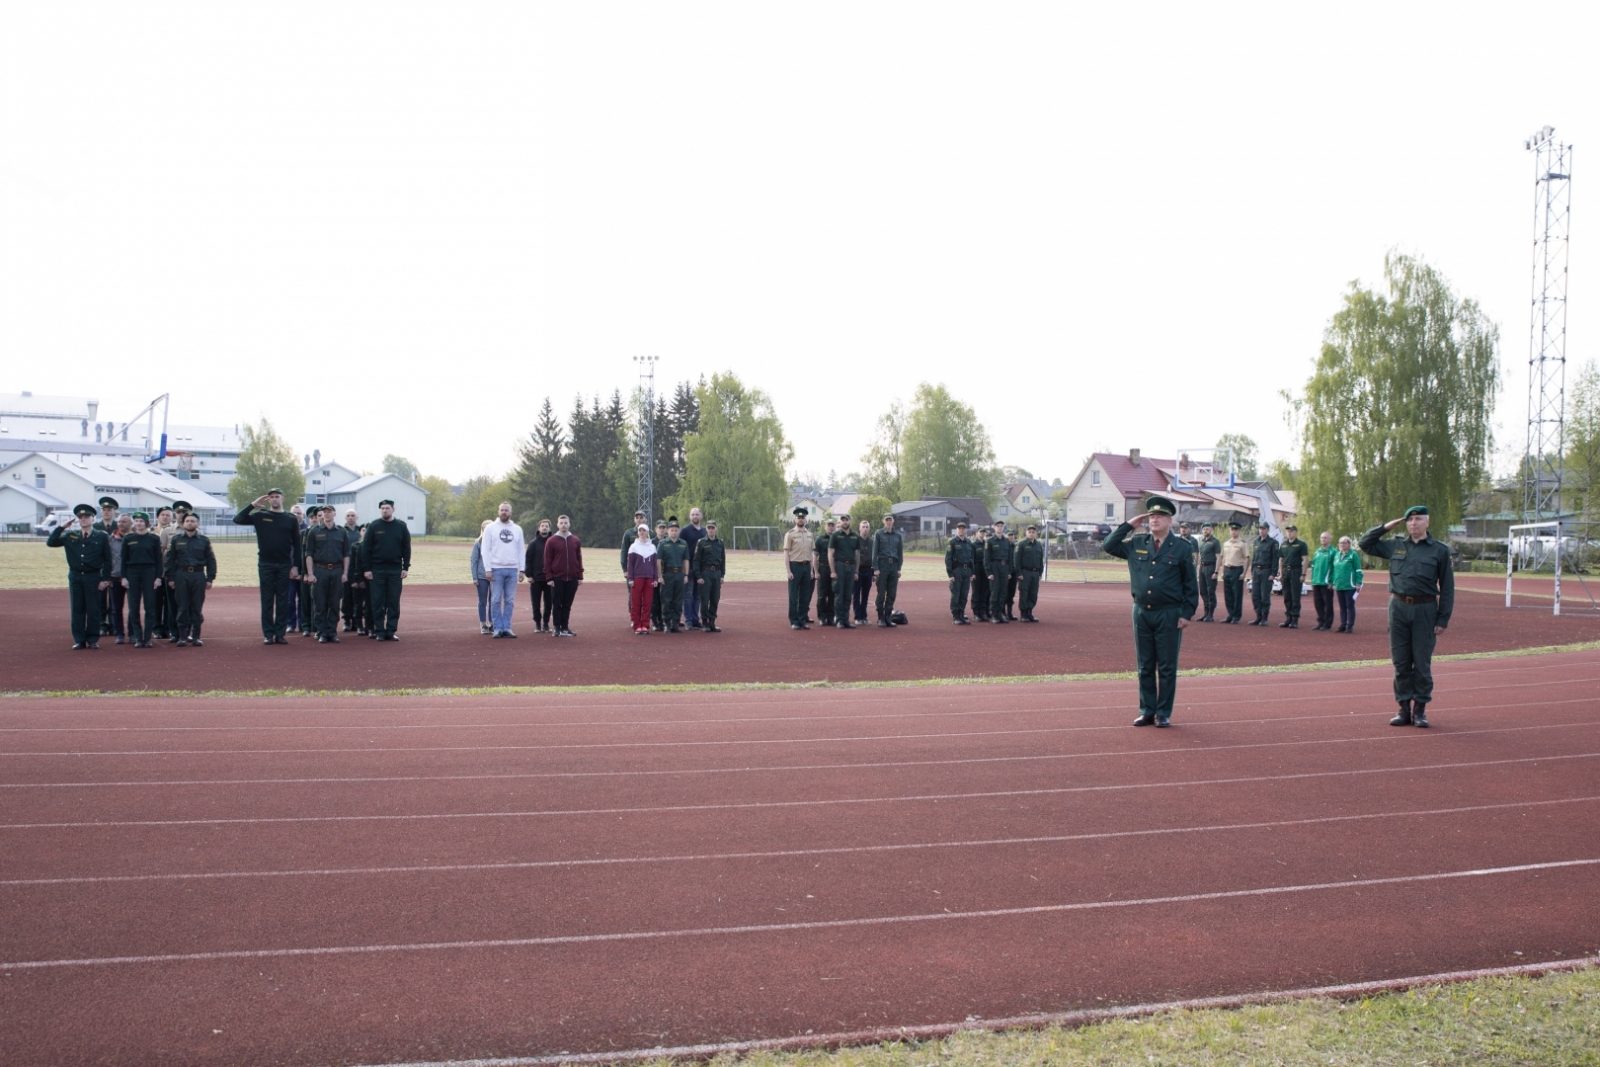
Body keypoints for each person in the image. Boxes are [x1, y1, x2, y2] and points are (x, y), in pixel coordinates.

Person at [1102, 494, 1198, 727]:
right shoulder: (1137, 543)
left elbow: (1190, 584)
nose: (1154, 520)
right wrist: (1129, 525)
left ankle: (1163, 712)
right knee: (1145, 664)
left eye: (1160, 516)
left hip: (1169, 613)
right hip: (1142, 612)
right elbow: (1109, 546)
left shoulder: (1182, 548)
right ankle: (1147, 710)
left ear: (1170, 521)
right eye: (1151, 516)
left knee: (1166, 666)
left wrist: (1186, 613)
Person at [1359, 506, 1453, 727]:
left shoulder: (1439, 550)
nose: (1414, 523)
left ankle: (1420, 710)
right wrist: (1384, 527)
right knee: (1401, 662)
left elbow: (1447, 588)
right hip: (1398, 608)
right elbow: (1365, 544)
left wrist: (1443, 619)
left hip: (1425, 609)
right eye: (1410, 520)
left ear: (1427, 522)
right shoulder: (1396, 545)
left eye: (1419, 519)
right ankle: (1403, 709)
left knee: (1421, 662)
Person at [234, 489, 303, 644]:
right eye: (271, 497)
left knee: (282, 600)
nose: (274, 499)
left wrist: (295, 566)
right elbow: (237, 519)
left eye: (277, 497)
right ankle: (268, 634)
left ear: (282, 498)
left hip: (284, 564)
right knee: (267, 600)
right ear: (268, 500)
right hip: (266, 563)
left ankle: (280, 633)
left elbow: (297, 545)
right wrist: (253, 505)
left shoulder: (290, 518)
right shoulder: (261, 515)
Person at [48, 503, 113, 649]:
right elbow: (51, 542)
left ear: (92, 519)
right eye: (81, 517)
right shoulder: (70, 535)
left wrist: (105, 579)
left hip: (93, 576)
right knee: (77, 609)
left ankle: (92, 639)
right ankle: (79, 639)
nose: (84, 519)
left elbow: (107, 559)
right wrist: (62, 527)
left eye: (87, 517)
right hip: (76, 576)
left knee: (93, 609)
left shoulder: (101, 536)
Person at [361, 498, 412, 641]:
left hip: (395, 570)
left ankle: (390, 630)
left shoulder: (401, 526)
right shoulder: (374, 526)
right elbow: (366, 549)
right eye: (382, 508)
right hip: (377, 570)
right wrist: (367, 568)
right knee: (377, 602)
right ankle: (379, 631)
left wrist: (405, 567)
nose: (385, 510)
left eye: (387, 508)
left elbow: (406, 548)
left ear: (393, 509)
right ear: (380, 510)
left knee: (393, 602)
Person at [164, 510, 216, 646]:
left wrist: (210, 578)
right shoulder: (176, 539)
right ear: (183, 523)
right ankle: (182, 636)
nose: (190, 523)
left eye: (192, 521)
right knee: (182, 606)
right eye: (187, 521)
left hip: (198, 575)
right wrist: (170, 577)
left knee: (196, 606)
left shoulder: (204, 540)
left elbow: (211, 560)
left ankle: (196, 636)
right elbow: (170, 560)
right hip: (181, 575)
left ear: (197, 523)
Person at [303, 505, 353, 643]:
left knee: (335, 603)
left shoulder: (342, 532)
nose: (326, 514)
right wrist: (310, 573)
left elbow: (346, 554)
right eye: (324, 512)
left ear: (334, 514)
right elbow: (309, 554)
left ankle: (332, 631)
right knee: (320, 603)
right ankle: (322, 632)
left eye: (329, 512)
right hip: (320, 570)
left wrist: (345, 573)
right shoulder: (314, 531)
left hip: (337, 570)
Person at [119, 512, 164, 648]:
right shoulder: (128, 538)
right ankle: (138, 637)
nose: (139, 523)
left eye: (141, 521)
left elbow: (158, 560)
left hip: (149, 572)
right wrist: (124, 577)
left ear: (146, 523)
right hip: (132, 572)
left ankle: (147, 637)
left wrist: (158, 577)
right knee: (133, 606)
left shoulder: (154, 538)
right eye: (136, 520)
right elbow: (123, 559)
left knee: (150, 606)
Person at [482, 501, 526, 639]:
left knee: (510, 600)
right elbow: (485, 549)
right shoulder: (491, 528)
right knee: (495, 600)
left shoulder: (517, 529)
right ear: (498, 511)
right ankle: (497, 628)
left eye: (506, 510)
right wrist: (488, 569)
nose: (504, 512)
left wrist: (522, 569)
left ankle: (507, 627)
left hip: (512, 569)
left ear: (511, 512)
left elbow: (520, 550)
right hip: (496, 569)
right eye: (502, 510)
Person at [542, 514, 583, 637]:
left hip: (572, 578)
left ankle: (565, 627)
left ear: (569, 524)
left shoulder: (575, 540)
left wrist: (580, 575)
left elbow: (578, 558)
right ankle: (557, 627)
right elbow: (547, 560)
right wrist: (549, 577)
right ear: (557, 525)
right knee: (557, 604)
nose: (563, 525)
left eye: (565, 523)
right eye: (561, 523)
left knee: (567, 604)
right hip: (557, 578)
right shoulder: (551, 541)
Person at [782, 507, 815, 630]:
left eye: (802, 518)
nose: (801, 519)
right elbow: (786, 553)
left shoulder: (810, 534)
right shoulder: (790, 534)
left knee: (805, 595)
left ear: (805, 519)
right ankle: (794, 621)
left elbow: (811, 554)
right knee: (793, 595)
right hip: (795, 566)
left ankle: (802, 620)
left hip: (806, 566)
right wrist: (788, 571)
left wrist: (811, 570)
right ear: (795, 519)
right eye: (798, 517)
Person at [657, 518, 691, 633]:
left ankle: (675, 623)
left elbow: (686, 560)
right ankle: (667, 623)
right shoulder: (663, 544)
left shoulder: (683, 544)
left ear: (679, 531)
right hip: (668, 574)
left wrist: (686, 575)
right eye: (672, 530)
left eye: (676, 530)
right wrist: (660, 576)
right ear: (668, 531)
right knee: (666, 600)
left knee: (678, 600)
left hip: (679, 574)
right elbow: (658, 561)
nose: (674, 532)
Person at [693, 521, 727, 632]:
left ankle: (712, 622)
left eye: (713, 528)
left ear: (716, 529)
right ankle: (705, 622)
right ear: (706, 529)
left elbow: (723, 560)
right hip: (705, 572)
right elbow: (696, 560)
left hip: (716, 573)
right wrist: (698, 576)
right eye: (709, 528)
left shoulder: (720, 543)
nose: (711, 530)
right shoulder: (701, 542)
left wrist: (722, 575)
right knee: (705, 599)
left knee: (715, 598)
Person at [626, 524, 661, 634]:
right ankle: (637, 625)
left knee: (647, 603)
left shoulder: (652, 547)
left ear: (647, 532)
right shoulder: (633, 547)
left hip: (649, 578)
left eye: (644, 530)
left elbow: (655, 565)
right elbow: (630, 565)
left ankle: (645, 625)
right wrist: (630, 578)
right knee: (636, 603)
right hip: (637, 578)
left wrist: (655, 578)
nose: (642, 532)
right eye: (640, 530)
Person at [828, 513, 861, 629]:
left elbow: (857, 554)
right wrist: (832, 570)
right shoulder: (835, 535)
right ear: (840, 522)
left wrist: (856, 571)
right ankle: (839, 620)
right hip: (839, 566)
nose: (845, 522)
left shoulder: (855, 536)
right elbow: (830, 553)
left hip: (851, 567)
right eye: (842, 520)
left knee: (848, 595)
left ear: (850, 521)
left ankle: (846, 619)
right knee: (839, 594)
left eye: (846, 520)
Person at [872, 513, 904, 626]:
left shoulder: (898, 536)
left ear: (893, 521)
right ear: (883, 521)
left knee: (892, 593)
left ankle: (888, 617)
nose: (889, 522)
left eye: (890, 520)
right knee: (881, 593)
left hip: (894, 566)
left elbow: (900, 554)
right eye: (887, 520)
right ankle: (880, 617)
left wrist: (899, 568)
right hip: (882, 565)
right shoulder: (879, 534)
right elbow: (874, 552)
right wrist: (875, 568)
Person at [94, 496, 119, 636]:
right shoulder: (96, 527)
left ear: (114, 511)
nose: (106, 512)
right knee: (100, 598)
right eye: (103, 509)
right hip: (101, 566)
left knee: (115, 599)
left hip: (115, 567)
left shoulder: (119, 526)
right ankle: (102, 624)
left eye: (109, 509)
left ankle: (114, 624)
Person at [680, 507, 708, 629]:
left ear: (701, 516)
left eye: (697, 514)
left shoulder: (704, 531)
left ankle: (696, 619)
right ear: (690, 516)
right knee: (688, 595)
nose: (695, 516)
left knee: (697, 595)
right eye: (693, 514)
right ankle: (688, 620)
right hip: (689, 567)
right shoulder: (685, 531)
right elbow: (680, 547)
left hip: (701, 569)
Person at [525, 518, 554, 633]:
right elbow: (528, 560)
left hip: (549, 579)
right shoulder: (533, 544)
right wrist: (529, 575)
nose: (544, 528)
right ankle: (537, 624)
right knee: (535, 603)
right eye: (542, 526)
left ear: (550, 528)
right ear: (539, 528)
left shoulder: (553, 542)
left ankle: (546, 624)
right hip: (536, 579)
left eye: (547, 526)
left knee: (549, 603)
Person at [152, 506, 176, 641]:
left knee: (169, 602)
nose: (165, 517)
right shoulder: (150, 532)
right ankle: (157, 628)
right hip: (155, 572)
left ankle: (168, 627)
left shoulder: (174, 531)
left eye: (168, 515)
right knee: (155, 602)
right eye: (162, 515)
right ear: (157, 517)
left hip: (169, 572)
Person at [107, 515, 132, 643]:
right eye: (119, 521)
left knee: (133, 607)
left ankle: (133, 633)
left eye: (124, 522)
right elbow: (106, 558)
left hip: (132, 577)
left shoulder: (135, 538)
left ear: (131, 523)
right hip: (115, 577)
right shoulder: (111, 539)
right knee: (116, 608)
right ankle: (119, 634)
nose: (121, 524)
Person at [1277, 525, 1308, 629]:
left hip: (1296, 571)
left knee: (1295, 596)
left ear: (1295, 532)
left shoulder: (1301, 544)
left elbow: (1305, 560)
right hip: (1286, 571)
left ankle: (1295, 619)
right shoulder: (1284, 545)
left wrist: (1303, 574)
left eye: (1291, 531)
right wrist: (1281, 574)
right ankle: (1288, 618)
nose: (1289, 533)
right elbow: (1281, 560)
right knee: (1286, 596)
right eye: (1287, 531)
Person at [1249, 526, 1280, 626]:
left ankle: (1264, 617)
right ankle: (1258, 616)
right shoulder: (1256, 542)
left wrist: (1273, 574)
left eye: (1264, 529)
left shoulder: (1273, 543)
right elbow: (1254, 557)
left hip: (1266, 571)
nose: (1261, 530)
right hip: (1256, 571)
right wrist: (1252, 570)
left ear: (1267, 530)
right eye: (1260, 529)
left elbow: (1275, 559)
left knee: (1264, 596)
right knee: (1255, 595)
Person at [984, 519, 1014, 624]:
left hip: (1004, 567)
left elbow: (1010, 558)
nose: (1000, 528)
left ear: (1003, 528)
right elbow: (986, 559)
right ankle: (994, 614)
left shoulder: (1007, 542)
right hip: (994, 566)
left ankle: (1000, 613)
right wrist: (989, 572)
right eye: (998, 526)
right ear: (994, 528)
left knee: (1003, 592)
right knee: (995, 591)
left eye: (1001, 526)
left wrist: (1009, 571)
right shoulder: (990, 541)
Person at [1332, 535, 1363, 634]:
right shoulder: (1337, 555)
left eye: (1344, 543)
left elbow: (1358, 570)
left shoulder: (1353, 555)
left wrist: (1358, 582)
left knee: (1350, 606)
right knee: (1342, 606)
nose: (1342, 545)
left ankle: (1350, 625)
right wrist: (1333, 582)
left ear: (1349, 544)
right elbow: (1334, 570)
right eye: (1340, 543)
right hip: (1339, 585)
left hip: (1350, 585)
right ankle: (1343, 624)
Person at [1013, 524, 1045, 623]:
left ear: (1035, 533)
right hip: (1025, 572)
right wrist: (1019, 573)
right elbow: (1016, 560)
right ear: (1026, 533)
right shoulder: (1021, 544)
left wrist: (1040, 573)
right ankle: (1023, 614)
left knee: (1033, 593)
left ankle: (1030, 612)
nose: (1031, 534)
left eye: (1033, 532)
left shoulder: (1038, 544)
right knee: (1024, 593)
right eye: (1029, 532)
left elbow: (1040, 560)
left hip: (1035, 573)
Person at [945, 521, 975, 624]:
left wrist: (972, 572)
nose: (961, 530)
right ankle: (956, 616)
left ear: (966, 530)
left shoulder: (969, 543)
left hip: (967, 571)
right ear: (957, 530)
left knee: (964, 594)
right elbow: (948, 559)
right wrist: (950, 574)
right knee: (956, 594)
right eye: (960, 528)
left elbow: (972, 559)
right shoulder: (952, 542)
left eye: (963, 528)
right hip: (957, 570)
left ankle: (962, 614)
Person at [1218, 522, 1249, 623]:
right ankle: (1230, 615)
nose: (1234, 531)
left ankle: (1236, 616)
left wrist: (1244, 572)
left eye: (1236, 530)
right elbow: (1222, 557)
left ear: (1239, 531)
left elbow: (1248, 558)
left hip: (1237, 570)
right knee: (1228, 595)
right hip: (1227, 570)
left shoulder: (1242, 544)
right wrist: (1222, 570)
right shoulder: (1226, 543)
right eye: (1232, 529)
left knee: (1237, 594)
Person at [341, 510, 366, 634]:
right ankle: (347, 620)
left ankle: (357, 622)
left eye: (353, 515)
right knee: (347, 597)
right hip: (345, 567)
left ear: (357, 517)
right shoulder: (341, 530)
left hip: (358, 568)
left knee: (358, 597)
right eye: (348, 516)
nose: (350, 518)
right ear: (345, 517)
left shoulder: (360, 531)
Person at [288, 503, 311, 636]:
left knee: (303, 600)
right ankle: (291, 624)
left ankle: (303, 623)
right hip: (289, 571)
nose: (297, 515)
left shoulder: (308, 530)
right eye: (294, 513)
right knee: (289, 599)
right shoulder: (285, 529)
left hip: (303, 571)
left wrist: (304, 571)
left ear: (303, 515)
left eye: (299, 513)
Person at [621, 510, 647, 622]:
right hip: (633, 570)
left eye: (641, 517)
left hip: (647, 569)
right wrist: (625, 569)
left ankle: (646, 617)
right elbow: (624, 552)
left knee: (647, 595)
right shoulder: (628, 533)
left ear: (645, 519)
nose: (639, 519)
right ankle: (634, 618)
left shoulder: (650, 532)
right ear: (634, 519)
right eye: (637, 517)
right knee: (633, 594)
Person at [1309, 531, 1337, 631]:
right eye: (1322, 538)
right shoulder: (1317, 552)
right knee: (1318, 603)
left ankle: (1327, 623)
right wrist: (1312, 580)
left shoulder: (1333, 552)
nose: (1323, 539)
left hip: (1326, 583)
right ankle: (1320, 621)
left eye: (1325, 538)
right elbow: (1313, 567)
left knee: (1328, 604)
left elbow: (1335, 568)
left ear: (1330, 539)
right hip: (1317, 581)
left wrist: (1332, 581)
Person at [470, 518, 492, 634]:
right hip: (482, 576)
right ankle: (483, 624)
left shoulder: (497, 542)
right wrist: (475, 577)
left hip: (494, 576)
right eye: (485, 527)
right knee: (483, 601)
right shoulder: (478, 543)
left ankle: (492, 623)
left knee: (494, 600)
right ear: (483, 529)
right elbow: (474, 560)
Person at [813, 519, 836, 627]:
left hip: (834, 570)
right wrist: (816, 571)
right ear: (825, 526)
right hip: (823, 568)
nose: (831, 527)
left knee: (832, 594)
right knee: (822, 595)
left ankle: (831, 617)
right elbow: (814, 556)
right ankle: (822, 617)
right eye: (829, 525)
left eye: (832, 525)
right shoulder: (820, 539)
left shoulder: (837, 539)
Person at [1196, 523, 1221, 621]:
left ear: (1211, 530)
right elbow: (1200, 556)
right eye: (1204, 529)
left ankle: (1211, 614)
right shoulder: (1201, 541)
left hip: (1211, 567)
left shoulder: (1215, 541)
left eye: (1207, 529)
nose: (1205, 531)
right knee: (1203, 591)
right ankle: (1205, 612)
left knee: (1211, 591)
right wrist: (1198, 568)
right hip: (1202, 567)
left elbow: (1218, 557)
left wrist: (1216, 572)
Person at [853, 519, 876, 624]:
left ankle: (864, 617)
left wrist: (874, 572)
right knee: (856, 595)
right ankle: (857, 617)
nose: (865, 529)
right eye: (863, 527)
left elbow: (875, 557)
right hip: (858, 571)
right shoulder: (855, 540)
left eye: (867, 527)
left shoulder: (872, 542)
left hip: (868, 571)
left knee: (865, 596)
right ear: (859, 528)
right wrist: (855, 572)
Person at [650, 519, 669, 631]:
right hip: (654, 574)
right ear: (655, 529)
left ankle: (663, 621)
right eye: (659, 528)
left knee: (664, 599)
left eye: (663, 527)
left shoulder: (668, 541)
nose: (661, 530)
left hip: (665, 573)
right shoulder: (651, 542)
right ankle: (655, 621)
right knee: (655, 599)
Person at [970, 527, 992, 622]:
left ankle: (983, 611)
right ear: (977, 533)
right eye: (981, 532)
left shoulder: (987, 545)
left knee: (985, 591)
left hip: (985, 569)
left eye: (984, 532)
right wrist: (973, 572)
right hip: (977, 568)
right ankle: (976, 613)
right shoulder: (973, 545)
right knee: (976, 592)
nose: (982, 533)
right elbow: (971, 559)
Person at [1003, 529, 1021, 621]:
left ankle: (1009, 613)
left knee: (1011, 592)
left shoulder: (1016, 547)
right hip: (1005, 571)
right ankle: (1002, 613)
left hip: (1013, 571)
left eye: (1012, 536)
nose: (1010, 537)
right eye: (1008, 536)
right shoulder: (1003, 546)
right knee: (1004, 592)